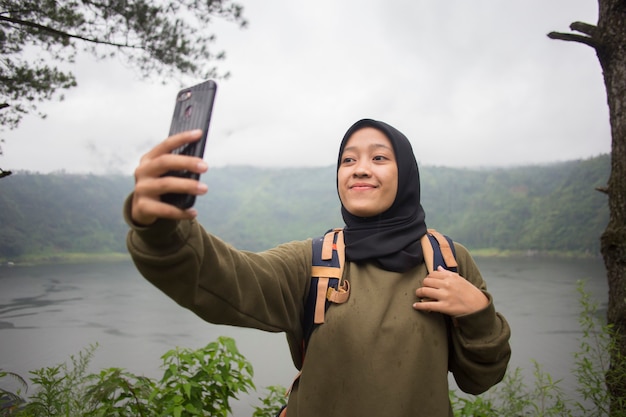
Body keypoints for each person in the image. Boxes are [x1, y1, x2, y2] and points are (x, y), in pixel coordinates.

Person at [124, 118, 511, 417]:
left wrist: (479, 314)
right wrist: (163, 227)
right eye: (348, 160)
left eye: (379, 157)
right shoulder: (313, 261)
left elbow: (481, 379)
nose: (359, 169)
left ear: (406, 174)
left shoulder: (448, 262)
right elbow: (227, 279)